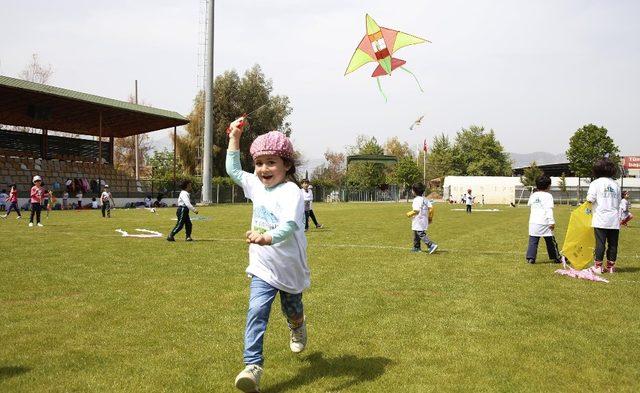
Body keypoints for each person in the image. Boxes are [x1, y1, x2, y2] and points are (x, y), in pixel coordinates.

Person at [226, 119, 309, 393]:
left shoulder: (292, 192)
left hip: (289, 267)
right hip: (262, 267)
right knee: (256, 311)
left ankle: (297, 325)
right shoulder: (255, 185)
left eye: (271, 162)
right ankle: (253, 367)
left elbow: (289, 226)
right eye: (259, 163)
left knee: (292, 309)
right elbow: (233, 170)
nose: (264, 169)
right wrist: (235, 137)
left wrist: (266, 237)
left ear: (286, 165)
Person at [587, 159, 621, 273]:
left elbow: (590, 199)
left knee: (600, 243)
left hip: (601, 218)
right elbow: (618, 201)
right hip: (614, 219)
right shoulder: (615, 184)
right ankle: (611, 267)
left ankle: (598, 267)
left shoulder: (595, 183)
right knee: (613, 244)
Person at [525, 176, 561, 264]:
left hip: (533, 222)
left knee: (533, 241)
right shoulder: (548, 196)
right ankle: (556, 257)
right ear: (548, 186)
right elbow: (548, 209)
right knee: (551, 241)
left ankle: (531, 258)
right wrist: (551, 222)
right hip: (545, 222)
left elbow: (530, 204)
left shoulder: (533, 195)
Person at [407, 182, 438, 253]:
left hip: (418, 219)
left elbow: (416, 211)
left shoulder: (416, 200)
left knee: (420, 233)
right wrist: (430, 218)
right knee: (416, 232)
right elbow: (431, 209)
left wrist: (410, 214)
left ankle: (431, 245)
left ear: (414, 191)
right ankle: (416, 247)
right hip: (424, 219)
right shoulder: (425, 199)